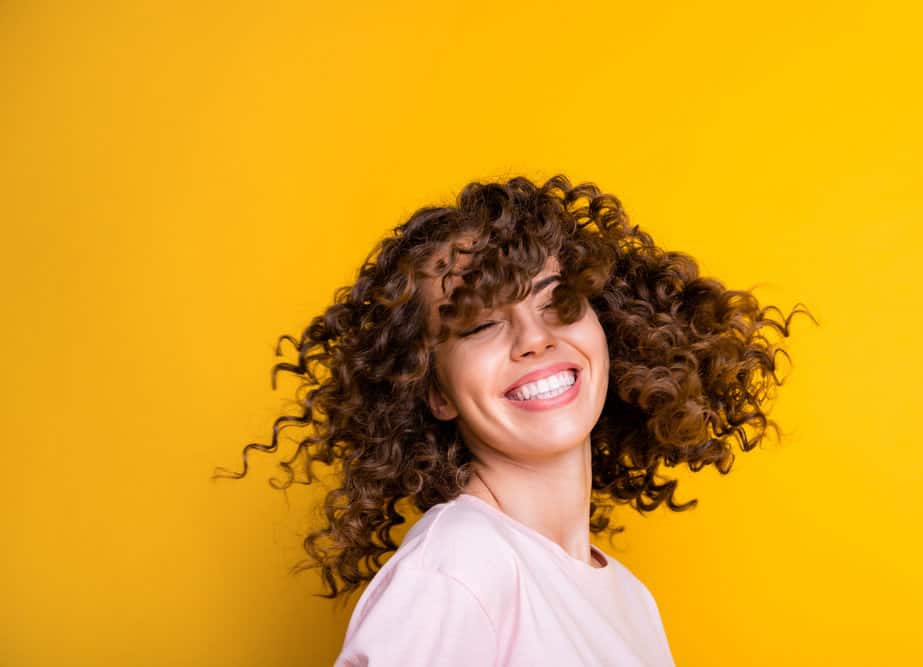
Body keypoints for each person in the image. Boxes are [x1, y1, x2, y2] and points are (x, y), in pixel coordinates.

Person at [215, 174, 810, 665]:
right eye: (478, 323)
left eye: (558, 303)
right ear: (436, 391)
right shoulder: (457, 571)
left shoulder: (628, 599)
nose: (534, 339)